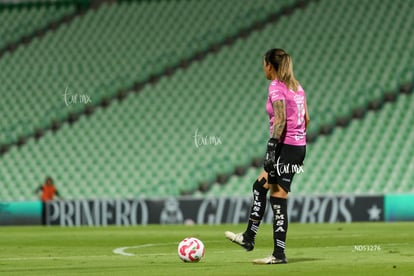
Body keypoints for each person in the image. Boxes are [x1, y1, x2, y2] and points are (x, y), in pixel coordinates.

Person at [225, 48, 309, 264]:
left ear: (269, 66)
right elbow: (307, 119)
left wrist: (272, 148)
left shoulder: (276, 87)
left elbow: (280, 118)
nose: (263, 67)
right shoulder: (297, 86)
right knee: (259, 186)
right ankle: (248, 237)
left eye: (263, 64)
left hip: (285, 147)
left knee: (278, 197)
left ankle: (279, 254)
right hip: (295, 147)